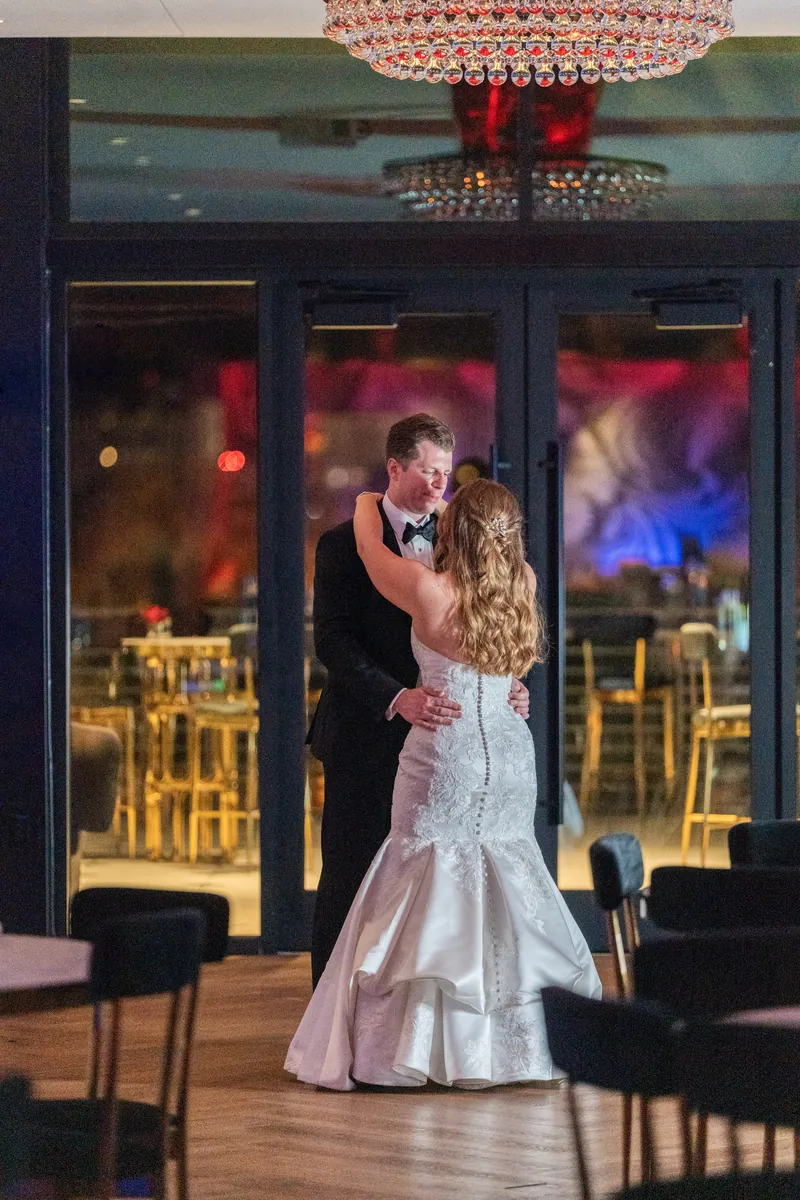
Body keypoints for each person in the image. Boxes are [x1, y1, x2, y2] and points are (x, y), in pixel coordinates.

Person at [287, 479, 601, 1090]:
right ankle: (511, 1047)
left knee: (419, 876)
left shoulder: (430, 590)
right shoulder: (524, 586)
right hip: (508, 751)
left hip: (446, 748)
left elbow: (372, 556)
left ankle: (415, 1047)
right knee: (505, 875)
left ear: (458, 531)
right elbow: (508, 664)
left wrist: (361, 506)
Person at [308, 413, 529, 987]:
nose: (438, 485)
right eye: (428, 472)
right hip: (367, 729)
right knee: (352, 873)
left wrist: (499, 684)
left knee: (432, 883)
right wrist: (397, 697)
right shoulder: (340, 545)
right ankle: (330, 1009)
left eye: (446, 474)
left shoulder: (460, 544)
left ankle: (409, 1004)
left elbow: (479, 625)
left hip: (448, 745)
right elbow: (331, 639)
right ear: (394, 467)